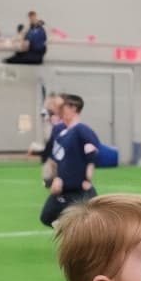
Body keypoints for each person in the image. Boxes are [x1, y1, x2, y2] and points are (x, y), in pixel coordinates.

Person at [39, 95, 101, 229]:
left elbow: (93, 151)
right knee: (47, 216)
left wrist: (87, 177)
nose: (61, 111)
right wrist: (54, 179)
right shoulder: (63, 133)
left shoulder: (81, 129)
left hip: (78, 190)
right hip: (62, 189)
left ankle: (79, 240)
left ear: (74, 108)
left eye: (64, 107)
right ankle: (73, 236)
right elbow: (59, 160)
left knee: (90, 225)